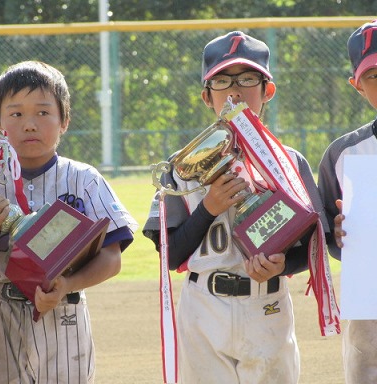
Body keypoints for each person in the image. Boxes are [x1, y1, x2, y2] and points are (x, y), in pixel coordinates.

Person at [143, 31, 329, 384]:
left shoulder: (288, 163)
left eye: (247, 78)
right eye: (222, 80)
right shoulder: (181, 166)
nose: (235, 90)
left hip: (267, 304)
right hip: (204, 306)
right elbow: (170, 254)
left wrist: (282, 265)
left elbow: (314, 246)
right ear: (206, 96)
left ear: (267, 91)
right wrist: (208, 208)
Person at [0, 60, 138, 383]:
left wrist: (68, 285)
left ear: (64, 121)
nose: (29, 124)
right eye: (16, 114)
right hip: (0, 315)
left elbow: (112, 257)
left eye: (43, 113)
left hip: (66, 314)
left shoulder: (83, 179)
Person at [317, 19, 377, 384]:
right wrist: (338, 237)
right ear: (356, 86)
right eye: (374, 74)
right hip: (370, 292)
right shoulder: (343, 154)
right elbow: (326, 233)